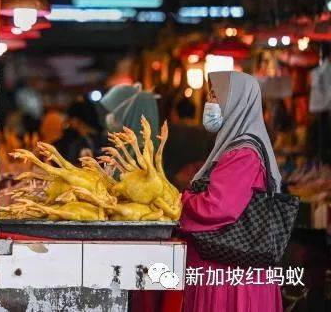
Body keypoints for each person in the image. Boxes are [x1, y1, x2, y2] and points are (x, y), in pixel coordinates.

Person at [180, 71, 284, 312]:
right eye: (210, 95)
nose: (210, 103)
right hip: (226, 270)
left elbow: (218, 207)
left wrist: (181, 201)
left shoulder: (243, 153)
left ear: (236, 101)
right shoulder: (234, 147)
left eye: (216, 96)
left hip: (230, 276)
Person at [99, 83, 160, 148]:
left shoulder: (141, 152)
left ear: (128, 111)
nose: (109, 116)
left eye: (112, 112)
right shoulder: (127, 146)